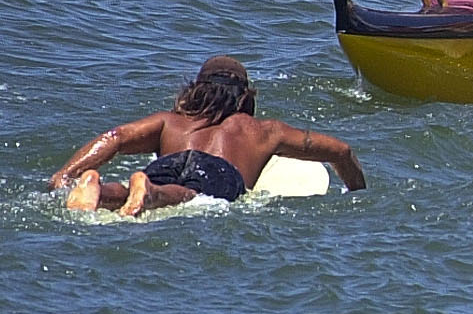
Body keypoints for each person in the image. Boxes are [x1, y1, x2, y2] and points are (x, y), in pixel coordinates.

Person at [51, 56, 366, 215]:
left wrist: (65, 174)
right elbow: (341, 151)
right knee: (190, 196)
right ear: (245, 97)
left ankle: (98, 188)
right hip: (217, 172)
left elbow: (116, 136)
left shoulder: (171, 122)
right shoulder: (263, 131)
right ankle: (148, 191)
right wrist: (358, 195)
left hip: (169, 163)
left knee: (140, 193)